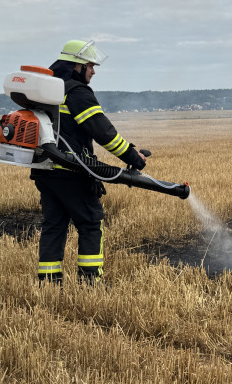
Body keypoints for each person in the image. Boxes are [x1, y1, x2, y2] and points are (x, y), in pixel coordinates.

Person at [31, 39, 147, 285]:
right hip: (71, 171)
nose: (93, 71)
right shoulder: (78, 92)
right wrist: (133, 157)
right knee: (91, 223)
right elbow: (104, 132)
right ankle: (90, 283)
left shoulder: (47, 90)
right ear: (77, 65)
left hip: (44, 171)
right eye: (90, 66)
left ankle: (48, 283)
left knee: (54, 225)